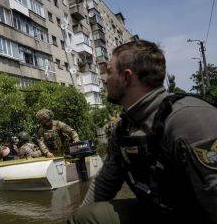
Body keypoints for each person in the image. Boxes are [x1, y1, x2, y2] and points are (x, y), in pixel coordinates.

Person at [68, 40, 217, 224]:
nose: (103, 79)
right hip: (158, 210)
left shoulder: (189, 119)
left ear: (127, 77)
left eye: (109, 71)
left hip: (195, 215)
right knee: (84, 218)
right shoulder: (123, 129)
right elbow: (104, 184)